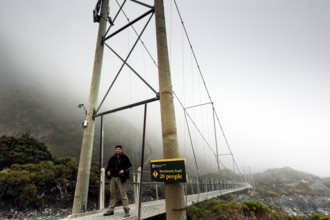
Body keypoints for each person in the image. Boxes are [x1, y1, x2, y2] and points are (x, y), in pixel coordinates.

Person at [103, 145, 132, 217]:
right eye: (116, 149)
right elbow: (108, 167)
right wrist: (108, 171)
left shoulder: (125, 157)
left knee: (123, 194)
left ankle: (126, 209)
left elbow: (129, 166)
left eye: (118, 149)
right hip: (113, 177)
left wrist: (124, 170)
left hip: (120, 178)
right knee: (112, 193)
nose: (117, 150)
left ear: (121, 150)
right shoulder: (112, 158)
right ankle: (110, 210)